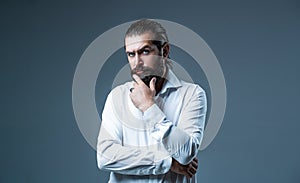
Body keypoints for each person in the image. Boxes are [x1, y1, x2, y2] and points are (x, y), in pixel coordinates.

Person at [97, 19, 207, 183]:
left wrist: (149, 107)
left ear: (165, 51)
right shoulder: (117, 96)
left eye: (145, 52)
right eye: (131, 54)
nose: (137, 62)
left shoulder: (192, 94)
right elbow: (105, 157)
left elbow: (185, 154)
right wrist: (167, 162)